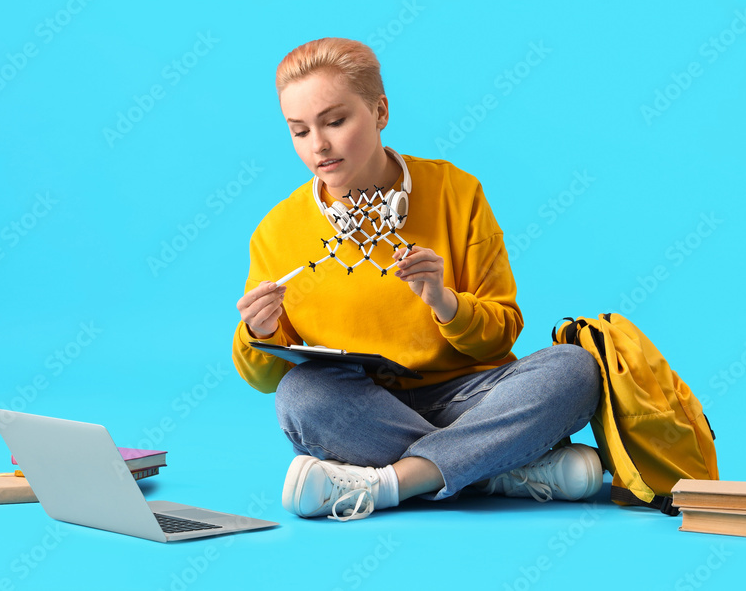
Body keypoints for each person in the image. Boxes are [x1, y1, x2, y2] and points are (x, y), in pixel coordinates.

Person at [231, 37, 602, 521]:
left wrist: (445, 303)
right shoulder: (277, 231)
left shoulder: (457, 192)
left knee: (574, 369)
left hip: (471, 399)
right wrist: (258, 332)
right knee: (300, 396)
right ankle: (495, 469)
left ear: (380, 111)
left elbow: (500, 337)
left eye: (335, 121)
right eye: (299, 131)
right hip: (368, 413)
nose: (317, 146)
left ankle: (391, 483)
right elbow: (263, 379)